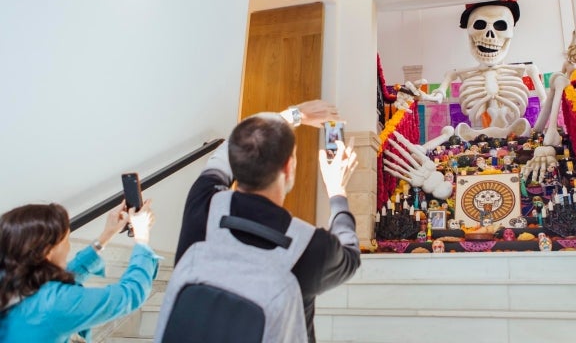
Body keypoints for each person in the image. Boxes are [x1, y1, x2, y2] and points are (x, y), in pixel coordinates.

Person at [173, 100, 361, 342]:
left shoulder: (203, 203)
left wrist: (295, 114)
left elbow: (231, 144)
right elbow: (351, 253)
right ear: (289, 167)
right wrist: (337, 191)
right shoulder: (311, 246)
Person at [0, 200, 159, 343]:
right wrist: (142, 239)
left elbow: (63, 276)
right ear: (47, 251)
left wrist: (107, 234)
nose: (68, 247)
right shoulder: (56, 304)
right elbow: (129, 294)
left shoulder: (10, 281)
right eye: (66, 240)